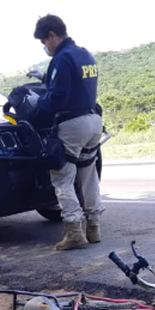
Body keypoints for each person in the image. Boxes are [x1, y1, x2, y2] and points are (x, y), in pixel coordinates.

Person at [29, 14, 104, 251]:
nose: (45, 47)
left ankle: (74, 231)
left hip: (72, 123)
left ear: (52, 35)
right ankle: (93, 227)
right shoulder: (84, 54)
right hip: (93, 120)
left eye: (44, 42)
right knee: (88, 174)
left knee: (62, 176)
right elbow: (76, 84)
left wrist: (37, 103)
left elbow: (57, 97)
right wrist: (44, 77)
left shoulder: (62, 58)